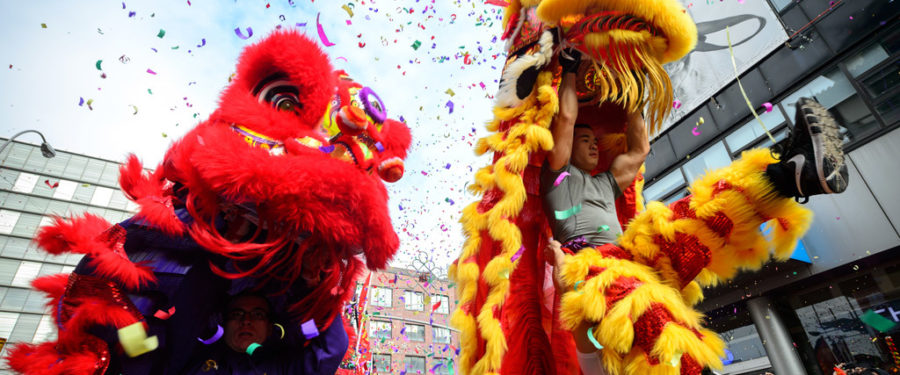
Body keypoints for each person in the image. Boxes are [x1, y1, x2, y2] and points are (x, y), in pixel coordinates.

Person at [541, 49, 849, 374]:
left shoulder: (605, 182)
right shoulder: (558, 176)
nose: (593, 145)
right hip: (590, 266)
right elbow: (565, 120)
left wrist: (633, 96)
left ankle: (793, 176)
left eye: (594, 140)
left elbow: (639, 149)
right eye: (584, 140)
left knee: (692, 216)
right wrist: (570, 72)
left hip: (631, 255)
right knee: (647, 308)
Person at [184, 291, 349, 374]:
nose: (246, 320)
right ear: (224, 323)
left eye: (257, 314)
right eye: (237, 314)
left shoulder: (283, 366)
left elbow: (328, 350)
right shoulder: (193, 352)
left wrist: (311, 288)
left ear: (270, 327)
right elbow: (195, 297)